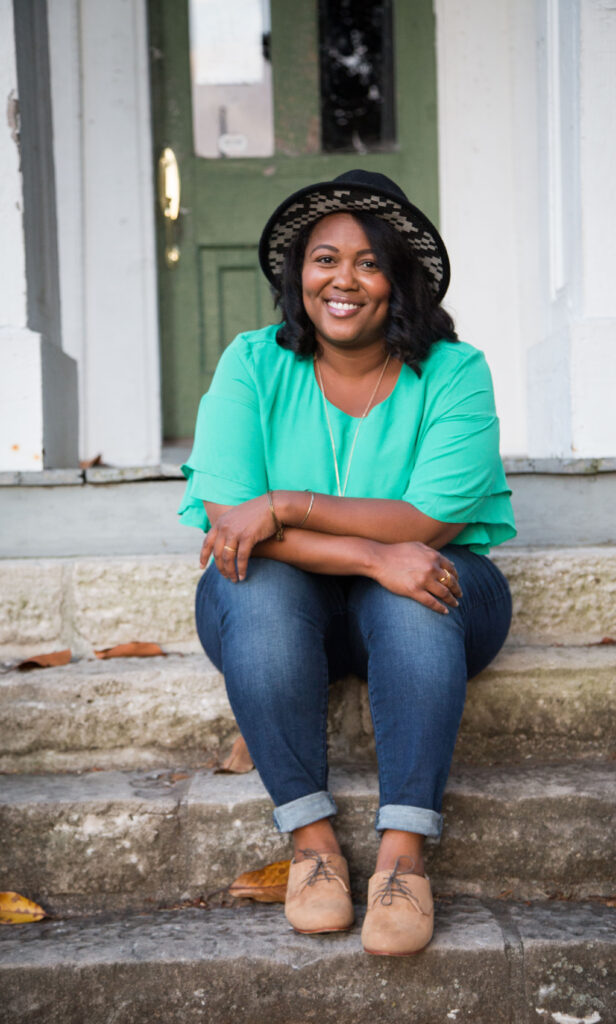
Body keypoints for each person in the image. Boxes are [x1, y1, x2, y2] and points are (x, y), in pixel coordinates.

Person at [179, 169, 516, 956]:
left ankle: (403, 856)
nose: (343, 280)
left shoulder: (454, 371)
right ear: (299, 275)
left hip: (438, 589)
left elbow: (429, 521)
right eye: (323, 258)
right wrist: (370, 552)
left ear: (398, 280)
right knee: (255, 582)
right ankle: (313, 845)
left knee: (414, 589)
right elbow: (231, 528)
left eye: (368, 262)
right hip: (287, 603)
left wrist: (286, 506)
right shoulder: (252, 363)